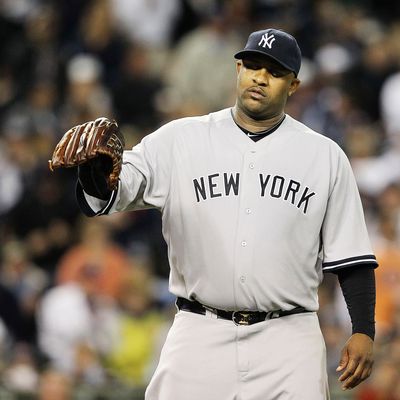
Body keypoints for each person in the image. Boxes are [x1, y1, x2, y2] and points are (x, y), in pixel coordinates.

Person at [50, 28, 378, 399]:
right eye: (253, 66)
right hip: (199, 330)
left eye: (274, 71)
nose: (260, 77)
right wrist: (93, 174)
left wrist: (363, 328)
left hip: (288, 338)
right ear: (238, 68)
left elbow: (352, 257)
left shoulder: (325, 157)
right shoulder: (180, 139)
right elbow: (114, 191)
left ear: (294, 85)